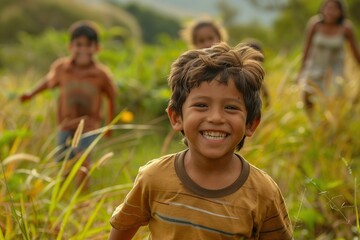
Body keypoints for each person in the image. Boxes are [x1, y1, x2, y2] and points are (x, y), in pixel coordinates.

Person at [109, 42, 292, 239]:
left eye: (230, 107)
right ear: (176, 117)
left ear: (251, 124)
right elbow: (121, 231)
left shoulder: (263, 192)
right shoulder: (154, 178)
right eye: (201, 105)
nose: (215, 117)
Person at [20, 20, 117, 191]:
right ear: (70, 46)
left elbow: (111, 98)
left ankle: (81, 196)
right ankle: (62, 194)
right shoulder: (61, 69)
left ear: (97, 48)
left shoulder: (101, 75)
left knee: (83, 160)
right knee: (63, 160)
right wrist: (31, 94)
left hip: (89, 125)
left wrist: (109, 125)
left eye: (89, 45)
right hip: (65, 123)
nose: (83, 50)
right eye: (79, 45)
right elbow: (47, 82)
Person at [298, 0, 360, 115]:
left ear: (341, 12)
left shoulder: (346, 28)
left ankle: (330, 126)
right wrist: (301, 71)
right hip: (315, 67)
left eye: (334, 9)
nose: (329, 12)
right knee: (307, 94)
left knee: (333, 102)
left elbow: (356, 53)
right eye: (327, 8)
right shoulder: (315, 24)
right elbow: (306, 49)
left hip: (335, 71)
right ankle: (313, 122)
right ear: (322, 9)